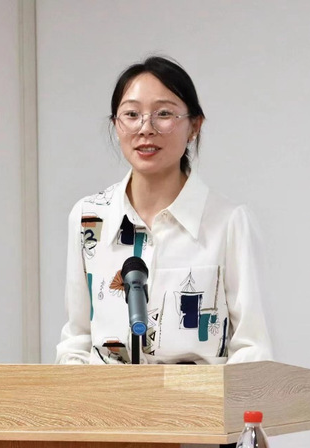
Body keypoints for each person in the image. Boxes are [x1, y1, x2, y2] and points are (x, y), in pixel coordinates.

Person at [55, 56, 273, 365]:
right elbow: (77, 340)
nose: (146, 128)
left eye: (164, 114)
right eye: (132, 114)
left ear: (194, 126)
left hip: (198, 396)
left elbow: (253, 350)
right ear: (116, 125)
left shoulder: (229, 223)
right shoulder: (90, 218)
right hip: (105, 396)